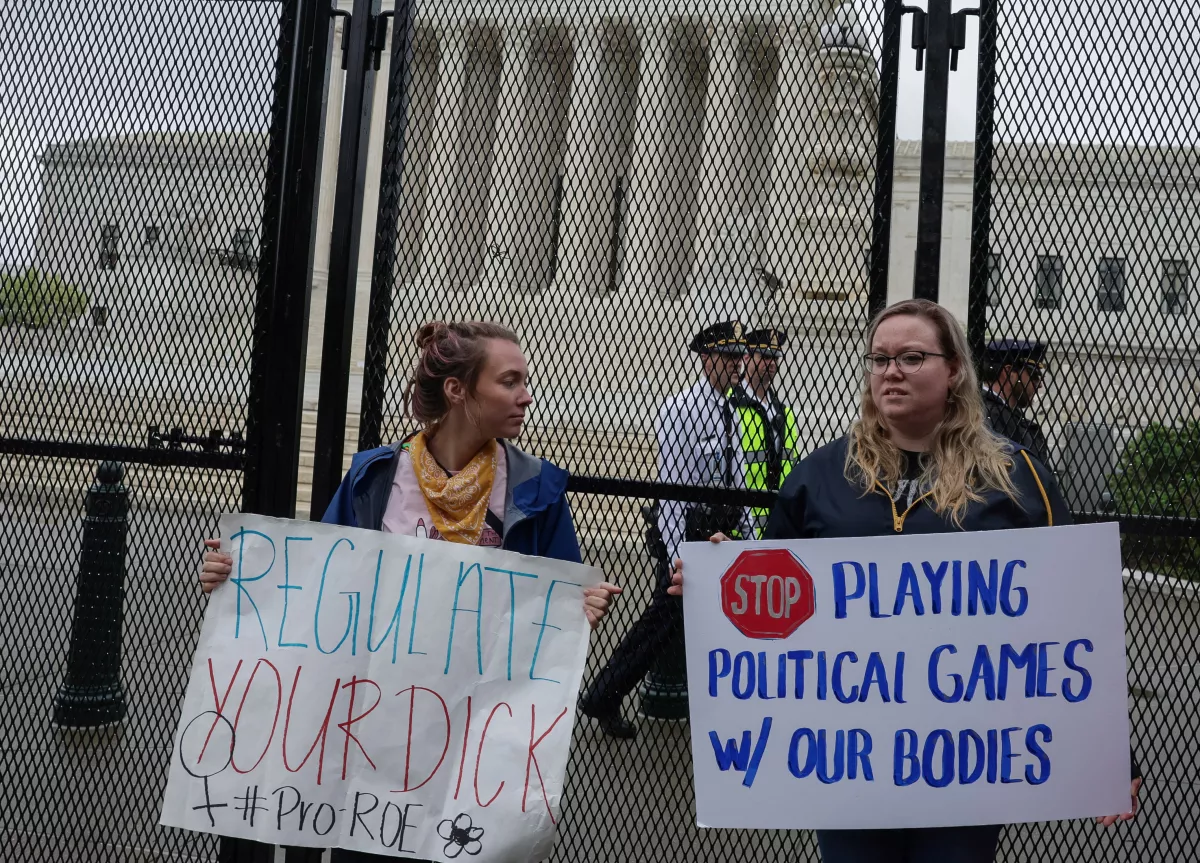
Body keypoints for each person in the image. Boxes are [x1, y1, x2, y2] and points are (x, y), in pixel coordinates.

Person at [668, 300, 1140, 862]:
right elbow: (775, 596)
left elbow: (1072, 621)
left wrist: (1113, 753)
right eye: (880, 358)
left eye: (912, 357)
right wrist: (722, 581)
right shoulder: (820, 476)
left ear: (955, 370)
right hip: (849, 758)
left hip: (972, 761)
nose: (891, 371)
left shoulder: (1017, 476)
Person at [199, 321, 621, 863]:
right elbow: (319, 591)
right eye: (509, 381)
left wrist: (582, 607)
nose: (525, 396)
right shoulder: (375, 478)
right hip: (378, 737)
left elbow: (559, 611)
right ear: (458, 390)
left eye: (523, 381)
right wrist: (241, 581)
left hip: (477, 740)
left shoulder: (538, 490)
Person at [577, 321, 750, 738]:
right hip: (690, 534)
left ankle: (604, 694)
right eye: (727, 358)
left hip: (719, 532)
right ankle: (603, 694)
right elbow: (671, 489)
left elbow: (737, 471)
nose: (735, 367)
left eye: (737, 359)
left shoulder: (729, 408)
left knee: (670, 624)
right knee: (661, 625)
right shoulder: (682, 409)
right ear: (707, 359)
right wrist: (678, 552)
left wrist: (747, 524)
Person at [729, 326, 800, 537]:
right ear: (747, 358)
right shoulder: (730, 404)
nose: (771, 363)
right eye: (765, 356)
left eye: (775, 357)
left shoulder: (784, 413)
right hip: (738, 530)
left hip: (779, 526)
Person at [982, 338, 1051, 467]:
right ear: (1009, 372)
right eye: (1034, 375)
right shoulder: (986, 416)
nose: (1039, 384)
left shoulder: (1006, 416)